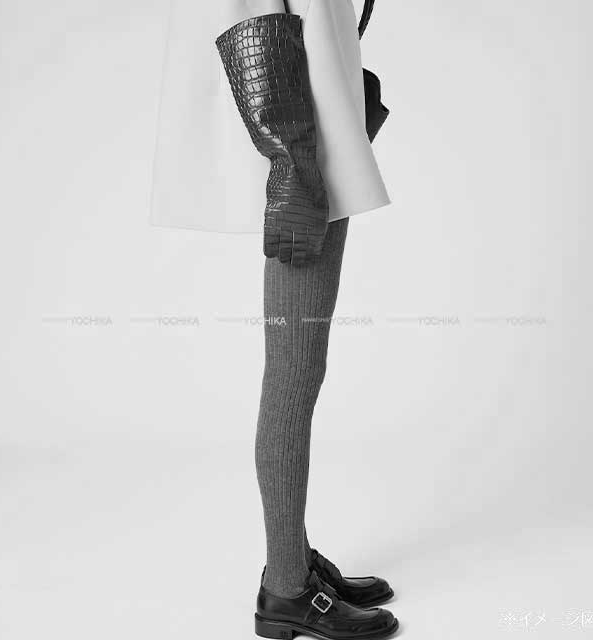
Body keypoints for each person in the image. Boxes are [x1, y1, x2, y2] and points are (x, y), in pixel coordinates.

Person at [151, 1, 398, 638]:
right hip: (301, 159)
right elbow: (255, 28)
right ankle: (287, 589)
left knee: (298, 370)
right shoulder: (298, 163)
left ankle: (293, 562)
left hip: (313, 143)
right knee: (293, 372)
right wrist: (295, 169)